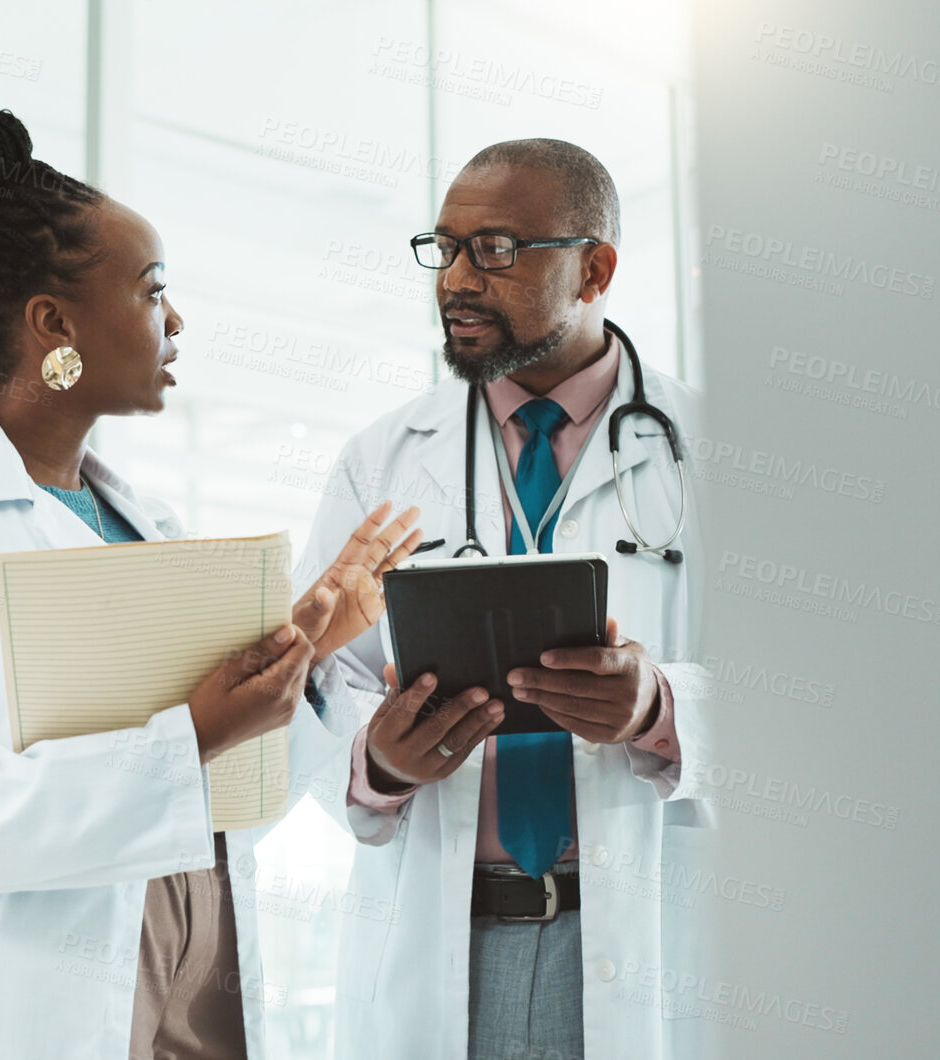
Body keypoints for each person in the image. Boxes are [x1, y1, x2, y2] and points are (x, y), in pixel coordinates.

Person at [0, 108, 422, 1060]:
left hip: (191, 976)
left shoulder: (149, 526)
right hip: (20, 999)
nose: (175, 321)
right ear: (54, 326)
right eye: (151, 292)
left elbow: (238, 805)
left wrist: (308, 643)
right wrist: (199, 731)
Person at [289, 139, 710, 1059]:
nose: (456, 281)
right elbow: (312, 685)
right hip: (443, 942)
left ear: (593, 268)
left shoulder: (717, 450)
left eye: (497, 250)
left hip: (639, 938)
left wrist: (659, 709)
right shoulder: (383, 457)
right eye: (443, 249)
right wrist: (380, 760)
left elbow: (817, 692)